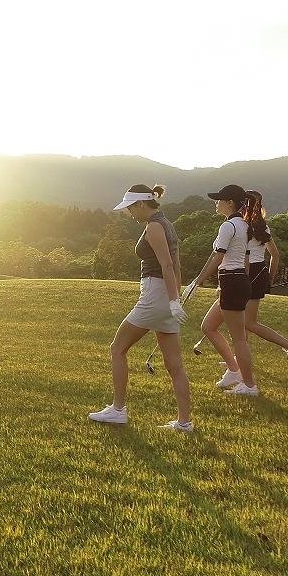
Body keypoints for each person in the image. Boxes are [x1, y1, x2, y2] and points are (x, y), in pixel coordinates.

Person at [89, 184, 194, 432]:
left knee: (117, 348)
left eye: (130, 208)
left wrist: (173, 300)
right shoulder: (166, 223)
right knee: (174, 364)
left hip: (155, 296)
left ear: (141, 204)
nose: (129, 213)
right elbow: (176, 264)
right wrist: (176, 297)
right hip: (166, 296)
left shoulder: (154, 226)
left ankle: (118, 410)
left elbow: (167, 265)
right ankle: (184, 422)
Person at [218, 190, 288, 370]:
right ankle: (239, 359)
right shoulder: (261, 226)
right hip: (257, 272)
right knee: (242, 322)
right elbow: (275, 255)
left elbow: (261, 255)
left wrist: (266, 280)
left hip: (247, 272)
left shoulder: (242, 226)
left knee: (248, 323)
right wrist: (269, 280)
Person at [197, 184, 259, 396]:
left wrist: (198, 280)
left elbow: (219, 256)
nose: (216, 203)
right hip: (236, 280)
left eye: (219, 200)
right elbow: (246, 259)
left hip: (232, 281)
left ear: (230, 202)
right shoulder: (245, 225)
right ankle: (234, 370)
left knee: (239, 339)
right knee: (208, 326)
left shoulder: (228, 226)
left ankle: (249, 386)